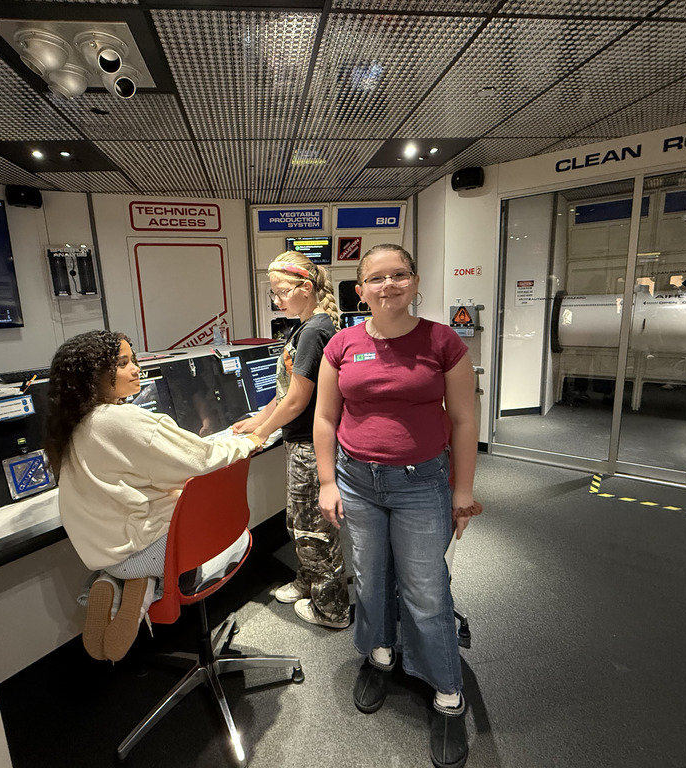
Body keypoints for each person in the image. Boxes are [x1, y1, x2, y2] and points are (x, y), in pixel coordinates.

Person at [314, 244, 481, 768]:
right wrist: (326, 481)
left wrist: (462, 490)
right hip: (357, 480)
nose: (389, 286)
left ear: (414, 281)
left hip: (421, 481)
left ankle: (448, 695)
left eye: (399, 275)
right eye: (376, 279)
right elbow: (324, 418)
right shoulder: (341, 344)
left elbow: (464, 421)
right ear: (359, 289)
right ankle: (381, 654)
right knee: (369, 577)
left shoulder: (442, 340)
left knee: (426, 590)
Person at [45, 330, 263, 663]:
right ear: (95, 375)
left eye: (133, 360)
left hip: (106, 553)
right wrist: (246, 443)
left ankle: (111, 585)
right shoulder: (122, 420)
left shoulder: (73, 428)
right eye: (122, 363)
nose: (135, 369)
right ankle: (144, 590)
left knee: (163, 509)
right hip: (152, 550)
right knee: (183, 515)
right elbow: (200, 459)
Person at [233, 252, 350, 629]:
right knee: (297, 520)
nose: (277, 300)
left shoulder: (316, 330)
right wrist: (260, 418)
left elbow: (299, 400)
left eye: (281, 292)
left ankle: (331, 609)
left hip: (309, 445)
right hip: (297, 441)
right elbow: (286, 390)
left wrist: (262, 434)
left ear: (306, 288)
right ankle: (309, 580)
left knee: (314, 528)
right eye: (274, 294)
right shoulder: (303, 327)